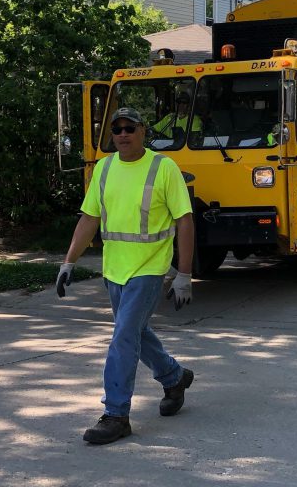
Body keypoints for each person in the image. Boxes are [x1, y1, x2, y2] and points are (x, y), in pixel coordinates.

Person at [55, 106, 195, 445]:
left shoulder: (163, 168)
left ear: (142, 131)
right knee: (133, 333)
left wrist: (184, 275)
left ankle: (116, 415)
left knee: (123, 339)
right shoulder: (103, 169)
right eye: (116, 129)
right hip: (114, 271)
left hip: (149, 270)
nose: (122, 134)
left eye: (129, 128)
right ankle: (174, 377)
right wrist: (68, 262)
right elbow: (89, 218)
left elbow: (185, 221)